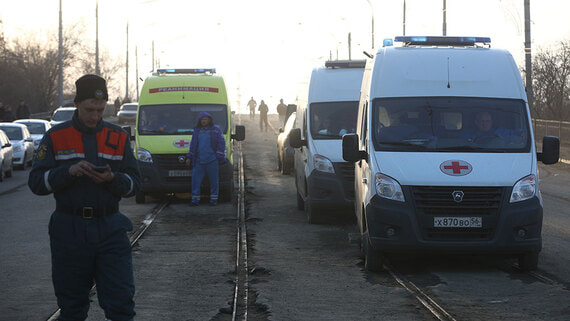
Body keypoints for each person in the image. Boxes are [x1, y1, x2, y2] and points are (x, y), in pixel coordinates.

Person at [28, 74, 141, 321]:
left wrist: (113, 180)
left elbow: (135, 184)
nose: (95, 116)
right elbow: (36, 183)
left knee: (121, 304)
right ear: (76, 104)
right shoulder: (55, 137)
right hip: (69, 231)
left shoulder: (118, 137)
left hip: (110, 229)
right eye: (90, 109)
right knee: (72, 307)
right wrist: (68, 172)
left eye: (101, 110)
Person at [185, 112, 226, 206]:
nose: (204, 121)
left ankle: (214, 200)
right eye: (202, 119)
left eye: (206, 119)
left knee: (214, 182)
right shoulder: (197, 131)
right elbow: (193, 145)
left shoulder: (216, 130)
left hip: (212, 160)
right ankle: (195, 200)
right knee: (195, 181)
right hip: (199, 161)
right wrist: (189, 157)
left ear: (209, 120)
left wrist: (219, 156)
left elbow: (221, 143)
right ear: (200, 121)